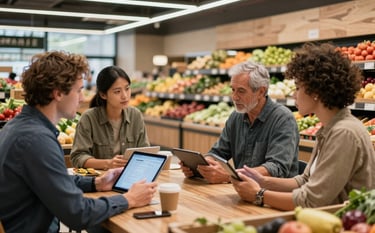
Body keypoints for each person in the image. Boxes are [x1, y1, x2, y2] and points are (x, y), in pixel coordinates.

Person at [0, 51, 157, 233]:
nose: (82, 98)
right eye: (79, 90)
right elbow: (78, 213)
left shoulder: (18, 128)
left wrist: (96, 183)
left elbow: (55, 180)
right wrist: (129, 199)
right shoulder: (37, 141)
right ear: (58, 93)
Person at [231, 42, 375, 210]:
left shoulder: (344, 133)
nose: (293, 95)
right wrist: (262, 181)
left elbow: (312, 200)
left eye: (298, 88)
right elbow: (305, 180)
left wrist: (259, 194)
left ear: (315, 91)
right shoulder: (329, 129)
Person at [180, 60, 300, 184]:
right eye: (233, 90)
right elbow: (218, 152)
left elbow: (276, 168)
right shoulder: (236, 117)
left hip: (273, 195)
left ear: (261, 91)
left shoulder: (283, 119)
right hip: (243, 191)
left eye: (241, 91)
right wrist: (202, 166)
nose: (234, 97)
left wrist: (230, 176)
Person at [70, 66, 150, 170]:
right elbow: (78, 157)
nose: (125, 96)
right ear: (103, 95)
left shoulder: (135, 115)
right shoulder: (89, 118)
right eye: (117, 91)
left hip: (129, 178)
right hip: (99, 181)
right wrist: (108, 164)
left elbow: (146, 152)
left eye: (127, 89)